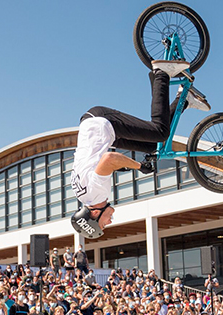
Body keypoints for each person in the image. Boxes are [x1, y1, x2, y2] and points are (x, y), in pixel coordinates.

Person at [70, 60, 210, 239]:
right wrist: (125, 167)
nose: (110, 222)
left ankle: (161, 73)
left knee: (159, 132)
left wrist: (139, 167)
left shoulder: (97, 195)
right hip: (102, 130)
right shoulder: (84, 195)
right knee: (154, 146)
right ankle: (184, 100)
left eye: (104, 224)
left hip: (102, 123)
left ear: (95, 214)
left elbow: (109, 159)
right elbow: (96, 164)